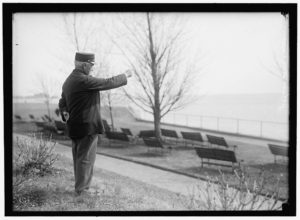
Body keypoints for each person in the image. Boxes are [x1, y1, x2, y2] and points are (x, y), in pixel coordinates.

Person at [58, 52, 132, 196]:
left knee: (79, 159)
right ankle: (82, 191)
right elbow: (107, 82)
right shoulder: (83, 80)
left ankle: (80, 188)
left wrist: (64, 111)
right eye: (91, 65)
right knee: (86, 159)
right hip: (87, 128)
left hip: (75, 126)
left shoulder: (68, 81)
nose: (92, 68)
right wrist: (125, 75)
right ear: (84, 65)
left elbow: (62, 101)